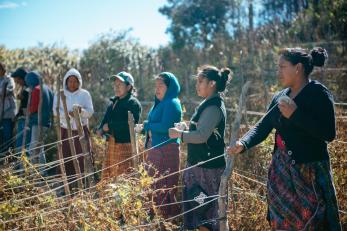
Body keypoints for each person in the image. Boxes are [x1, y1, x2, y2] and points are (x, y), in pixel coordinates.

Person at [227, 47, 341, 230]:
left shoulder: (318, 94)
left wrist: (295, 114)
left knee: (314, 221)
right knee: (283, 223)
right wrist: (243, 143)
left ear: (298, 68)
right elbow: (262, 126)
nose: (278, 71)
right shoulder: (280, 97)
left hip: (309, 173)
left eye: (282, 67)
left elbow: (328, 133)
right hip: (281, 173)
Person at [169, 65, 231, 231]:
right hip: (200, 166)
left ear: (212, 83)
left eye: (200, 81)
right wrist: (186, 126)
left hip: (207, 170)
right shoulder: (208, 103)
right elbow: (201, 129)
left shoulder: (213, 107)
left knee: (205, 213)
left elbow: (202, 135)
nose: (197, 85)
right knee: (199, 211)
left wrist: (180, 135)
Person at [142, 72, 182, 218]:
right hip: (156, 150)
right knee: (154, 185)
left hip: (166, 151)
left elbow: (166, 126)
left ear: (170, 87)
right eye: (156, 85)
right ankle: (155, 221)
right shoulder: (160, 104)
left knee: (165, 186)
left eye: (161, 85)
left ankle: (166, 222)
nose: (157, 88)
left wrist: (147, 125)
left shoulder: (172, 103)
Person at [97, 71, 142, 180]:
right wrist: (100, 129)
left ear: (128, 87)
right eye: (115, 85)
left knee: (123, 178)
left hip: (125, 145)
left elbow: (130, 125)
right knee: (111, 176)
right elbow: (105, 119)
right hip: (112, 144)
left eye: (120, 85)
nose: (116, 87)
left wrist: (110, 126)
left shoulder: (133, 103)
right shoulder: (114, 102)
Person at [53, 68, 94, 183]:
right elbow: (55, 111)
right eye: (70, 81)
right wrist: (68, 115)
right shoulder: (60, 94)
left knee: (82, 156)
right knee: (65, 156)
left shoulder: (85, 94)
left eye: (75, 81)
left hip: (81, 130)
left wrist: (81, 112)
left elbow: (90, 111)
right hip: (65, 129)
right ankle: (64, 183)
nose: (72, 84)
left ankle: (82, 182)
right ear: (66, 81)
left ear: (79, 82)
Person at [25, 71, 54, 174]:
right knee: (39, 148)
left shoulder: (36, 90)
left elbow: (33, 109)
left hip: (38, 122)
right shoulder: (48, 89)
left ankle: (35, 174)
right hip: (46, 123)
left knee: (33, 149)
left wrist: (27, 111)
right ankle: (43, 173)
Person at [11, 67, 30, 152]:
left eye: (18, 80)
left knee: (21, 144)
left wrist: (18, 115)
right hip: (23, 118)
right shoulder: (24, 88)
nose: (17, 82)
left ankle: (21, 164)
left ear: (22, 78)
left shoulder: (27, 90)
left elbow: (25, 108)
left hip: (25, 120)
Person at [0, 62, 16, 156]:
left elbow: (8, 90)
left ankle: (9, 158)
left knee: (7, 136)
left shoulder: (9, 79)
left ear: (2, 69)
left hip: (7, 112)